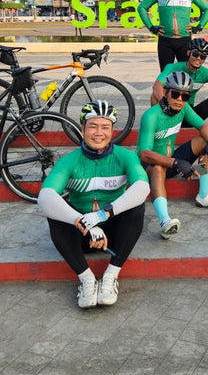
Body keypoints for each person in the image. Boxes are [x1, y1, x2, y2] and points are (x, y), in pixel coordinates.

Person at [37, 101, 149, 309]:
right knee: (55, 213)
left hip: (114, 234)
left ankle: (111, 275)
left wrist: (101, 216)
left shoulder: (125, 156)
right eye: (92, 126)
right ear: (82, 129)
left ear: (112, 130)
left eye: (105, 127)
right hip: (82, 233)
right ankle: (87, 279)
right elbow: (45, 197)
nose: (99, 133)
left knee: (137, 207)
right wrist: (83, 222)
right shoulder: (69, 161)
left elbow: (142, 188)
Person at [138, 71, 208, 239]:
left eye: (185, 96)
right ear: (166, 92)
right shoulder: (151, 116)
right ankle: (164, 221)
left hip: (172, 161)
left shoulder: (183, 109)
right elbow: (144, 154)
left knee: (203, 141)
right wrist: (175, 163)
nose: (180, 99)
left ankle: (204, 194)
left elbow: (204, 127)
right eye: (175, 94)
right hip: (151, 165)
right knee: (158, 169)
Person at [151, 37, 208, 155]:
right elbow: (157, 85)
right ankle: (155, 138)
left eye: (202, 56)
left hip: (188, 112)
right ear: (188, 52)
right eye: (195, 54)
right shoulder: (173, 67)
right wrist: (165, 105)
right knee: (154, 96)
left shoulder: (205, 73)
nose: (198, 58)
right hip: (171, 110)